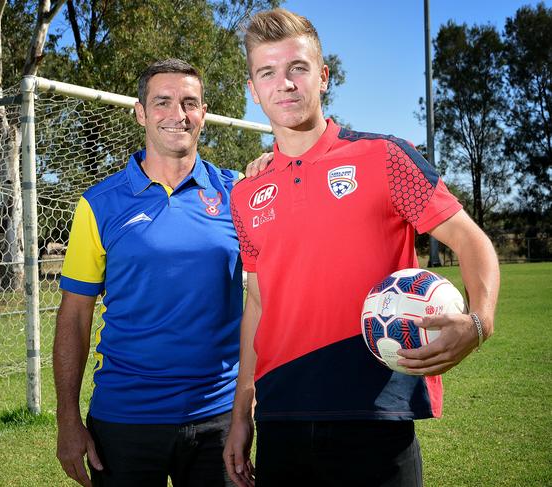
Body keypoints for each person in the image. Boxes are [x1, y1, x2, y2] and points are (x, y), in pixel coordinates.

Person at [223, 8, 500, 487]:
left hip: (376, 415)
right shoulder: (246, 192)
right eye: (267, 72)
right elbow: (257, 300)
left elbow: (470, 239)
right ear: (252, 88)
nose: (284, 84)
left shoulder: (384, 157)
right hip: (280, 415)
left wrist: (480, 321)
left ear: (323, 76)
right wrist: (241, 410)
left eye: (298, 68)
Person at [54, 58, 244, 487]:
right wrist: (67, 419)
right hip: (125, 420)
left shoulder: (238, 194)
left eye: (189, 103)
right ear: (140, 112)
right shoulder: (98, 205)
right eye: (162, 102)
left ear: (204, 113)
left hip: (220, 418)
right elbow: (75, 316)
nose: (177, 114)